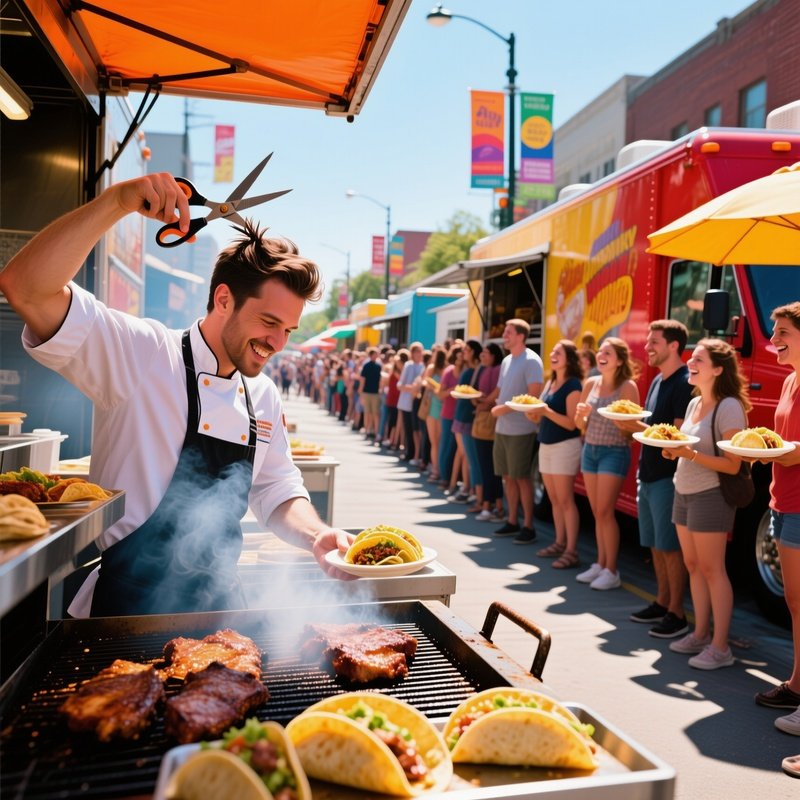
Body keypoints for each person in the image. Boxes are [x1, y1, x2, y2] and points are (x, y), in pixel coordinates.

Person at [0, 173, 352, 617]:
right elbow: (26, 287)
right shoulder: (143, 352)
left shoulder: (261, 395)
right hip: (124, 612)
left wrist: (315, 535)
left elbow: (276, 488)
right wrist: (117, 202)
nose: (277, 342)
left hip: (220, 611)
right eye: (268, 322)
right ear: (223, 299)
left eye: (287, 330)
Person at [662, 338, 748, 669]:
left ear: (717, 368)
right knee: (694, 566)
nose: (690, 362)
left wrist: (690, 454)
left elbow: (733, 464)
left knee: (713, 570)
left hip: (711, 495)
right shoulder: (693, 403)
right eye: (691, 357)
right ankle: (700, 633)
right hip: (683, 489)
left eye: (699, 359)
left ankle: (720, 646)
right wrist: (673, 451)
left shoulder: (729, 407)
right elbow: (684, 448)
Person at [617, 320, 693, 639]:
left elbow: (675, 436)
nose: (647, 347)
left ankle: (677, 612)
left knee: (669, 547)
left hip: (666, 478)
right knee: (654, 546)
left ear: (674, 345)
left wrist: (635, 428)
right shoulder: (657, 381)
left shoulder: (684, 382)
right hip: (646, 474)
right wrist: (629, 427)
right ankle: (661, 602)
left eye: (654, 342)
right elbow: (651, 430)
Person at [751, 303, 800, 745]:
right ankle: (798, 684)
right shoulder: (787, 380)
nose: (774, 339)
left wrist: (769, 451)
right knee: (794, 601)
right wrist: (767, 447)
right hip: (783, 500)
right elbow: (785, 441)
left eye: (782, 331)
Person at [574, 337, 639, 589]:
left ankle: (611, 570)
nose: (601, 355)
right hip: (590, 449)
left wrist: (620, 421)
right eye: (600, 351)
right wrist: (581, 417)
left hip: (614, 451)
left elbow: (631, 430)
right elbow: (580, 426)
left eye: (608, 352)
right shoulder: (590, 382)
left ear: (620, 360)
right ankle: (600, 564)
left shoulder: (627, 387)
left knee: (605, 511)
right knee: (597, 512)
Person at [525, 340, 583, 568]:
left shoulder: (573, 385)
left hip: (564, 446)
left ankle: (571, 551)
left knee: (566, 500)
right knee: (555, 500)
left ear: (569, 358)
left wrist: (545, 411)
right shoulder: (551, 382)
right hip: (546, 444)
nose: (552, 354)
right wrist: (533, 414)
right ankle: (559, 543)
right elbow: (541, 416)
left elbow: (571, 424)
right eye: (552, 351)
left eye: (558, 352)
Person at [489, 319, 544, 544]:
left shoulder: (531, 361)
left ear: (521, 336)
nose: (504, 335)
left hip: (522, 430)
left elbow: (533, 397)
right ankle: (512, 521)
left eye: (508, 332)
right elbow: (502, 391)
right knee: (508, 477)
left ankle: (528, 526)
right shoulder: (506, 361)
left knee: (522, 478)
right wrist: (491, 402)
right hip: (503, 427)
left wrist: (504, 407)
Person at [473, 343, 505, 522]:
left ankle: (489, 505)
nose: (482, 356)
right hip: (484, 420)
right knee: (488, 466)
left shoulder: (496, 370)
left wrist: (482, 402)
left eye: (485, 353)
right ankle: (495, 505)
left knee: (489, 467)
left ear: (494, 355)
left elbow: (493, 396)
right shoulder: (484, 370)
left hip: (489, 422)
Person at [397, 342, 425, 464]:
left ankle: (416, 454)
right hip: (406, 403)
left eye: (420, 351)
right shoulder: (408, 366)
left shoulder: (424, 366)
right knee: (408, 429)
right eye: (417, 351)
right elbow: (400, 384)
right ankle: (410, 452)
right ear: (412, 353)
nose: (419, 354)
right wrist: (412, 388)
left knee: (416, 430)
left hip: (417, 404)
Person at [360, 347, 382, 440]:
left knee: (375, 413)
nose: (376, 356)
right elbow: (362, 379)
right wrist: (361, 392)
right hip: (367, 392)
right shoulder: (366, 366)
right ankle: (367, 430)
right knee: (367, 412)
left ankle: (376, 432)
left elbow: (380, 380)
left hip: (375, 392)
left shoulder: (379, 366)